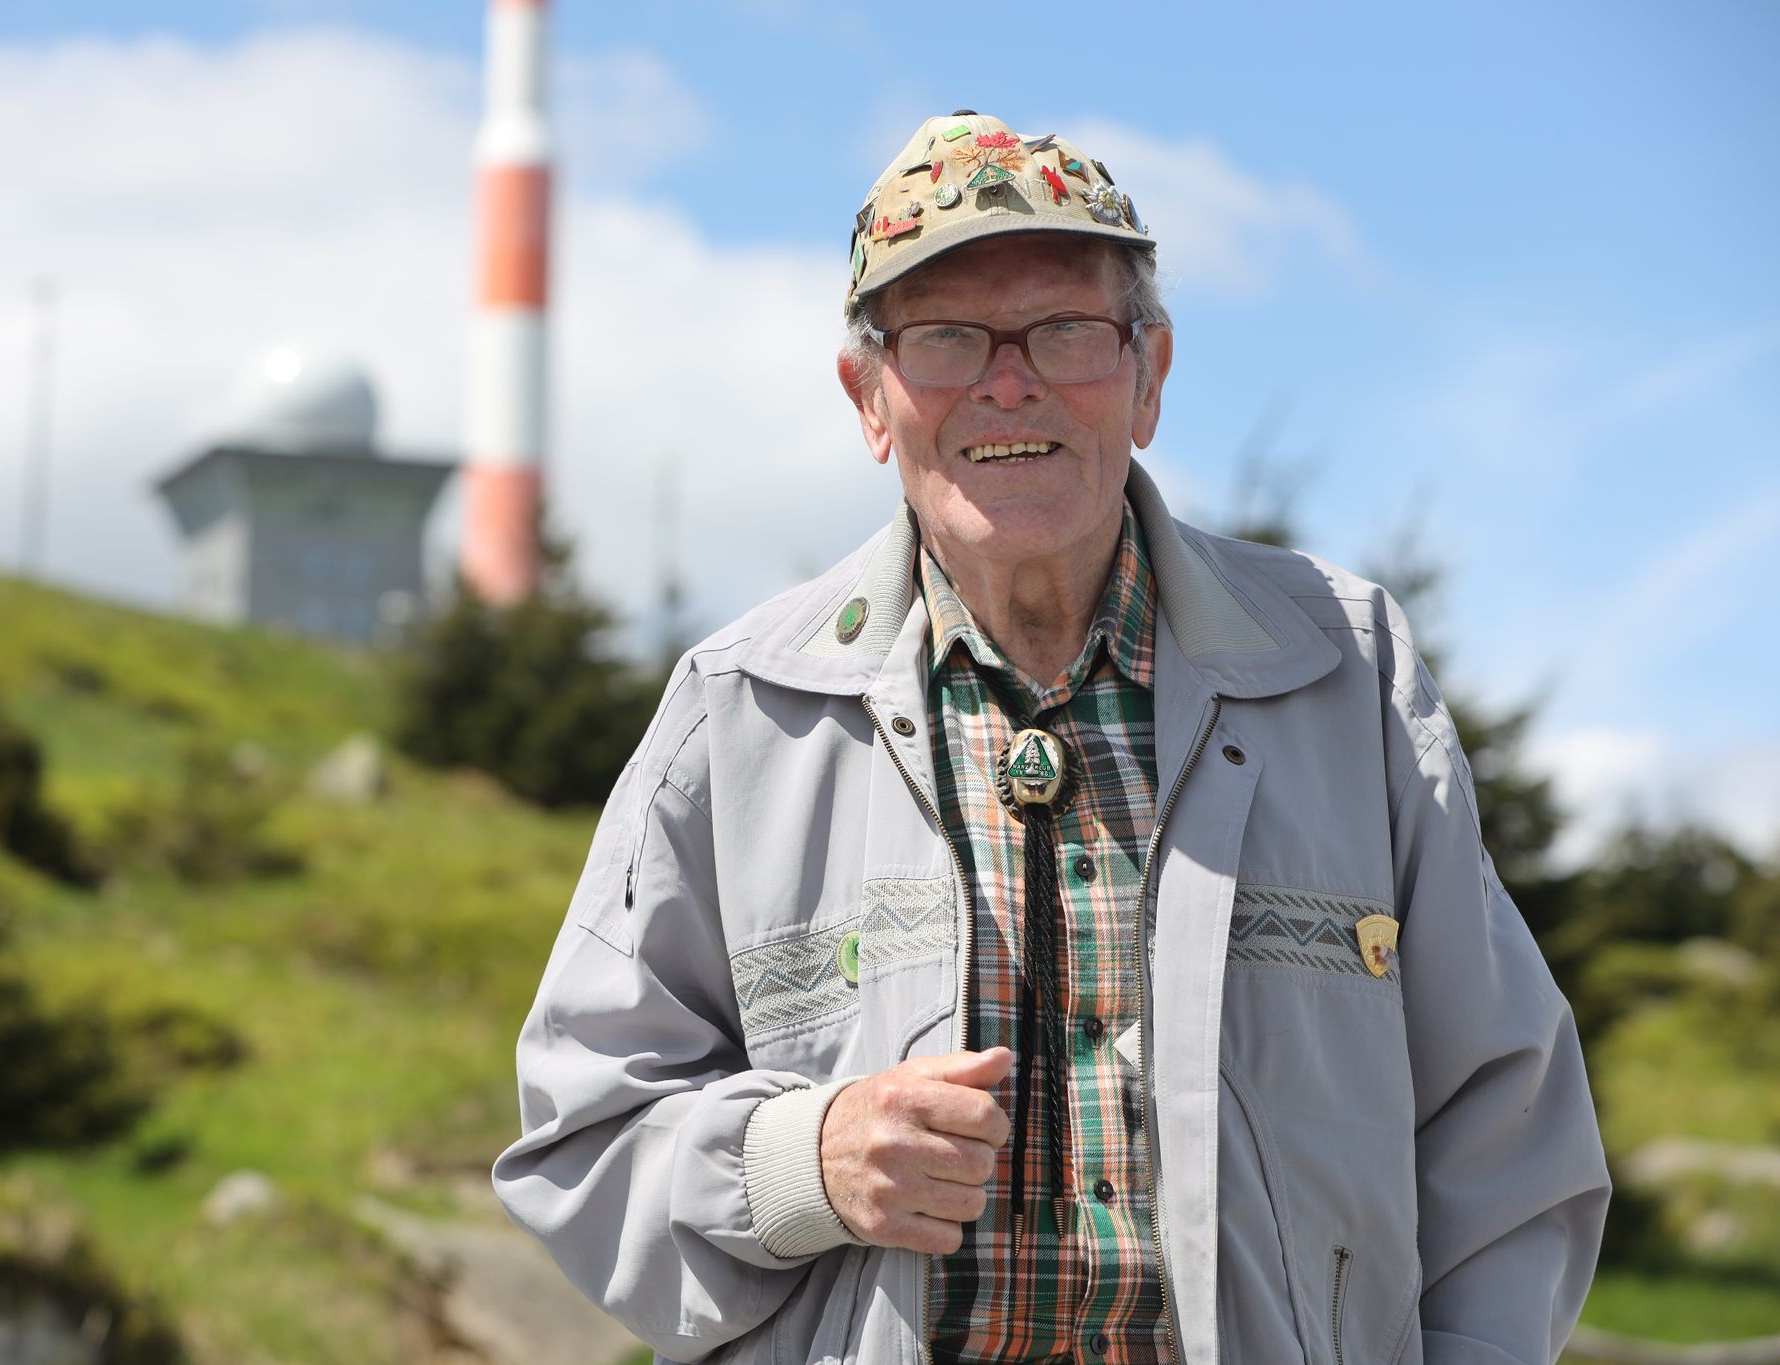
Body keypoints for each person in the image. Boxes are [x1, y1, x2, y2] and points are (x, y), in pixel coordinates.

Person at [494, 111, 1609, 1364]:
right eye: (945, 338)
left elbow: (1508, 1133)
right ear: (871, 398)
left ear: (1149, 376)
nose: (1006, 380)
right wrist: (796, 1162)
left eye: (1065, 331)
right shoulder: (740, 706)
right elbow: (581, 1134)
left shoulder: (1343, 669)